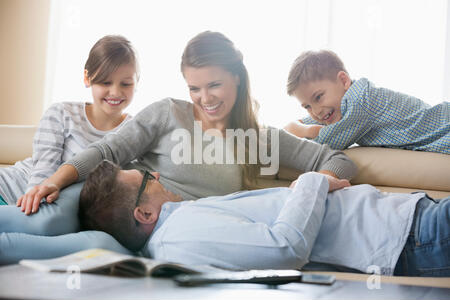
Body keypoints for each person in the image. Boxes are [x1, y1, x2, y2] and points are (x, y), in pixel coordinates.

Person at [17, 31, 357, 217]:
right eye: (194, 88)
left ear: (237, 80)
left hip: (173, 236)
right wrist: (54, 181)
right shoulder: (169, 113)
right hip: (119, 216)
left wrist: (317, 182)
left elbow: (339, 160)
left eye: (213, 85)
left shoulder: (259, 138)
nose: (204, 98)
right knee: (44, 221)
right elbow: (108, 149)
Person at [79, 160, 450, 277]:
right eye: (147, 178)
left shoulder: (180, 222)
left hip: (408, 220)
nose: (157, 176)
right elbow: (284, 248)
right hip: (410, 237)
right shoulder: (178, 237)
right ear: (144, 213)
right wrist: (311, 181)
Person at [0, 35, 137, 206]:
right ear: (87, 78)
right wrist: (34, 212)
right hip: (10, 191)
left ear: (137, 82)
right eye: (105, 82)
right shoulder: (61, 114)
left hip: (55, 212)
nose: (115, 92)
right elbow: (41, 176)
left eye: (125, 84)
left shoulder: (136, 132)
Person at [284, 50, 450, 153]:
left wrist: (306, 131)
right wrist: (297, 127)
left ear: (343, 81)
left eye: (318, 97)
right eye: (307, 106)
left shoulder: (361, 101)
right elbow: (293, 127)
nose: (316, 111)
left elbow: (327, 142)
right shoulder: (337, 107)